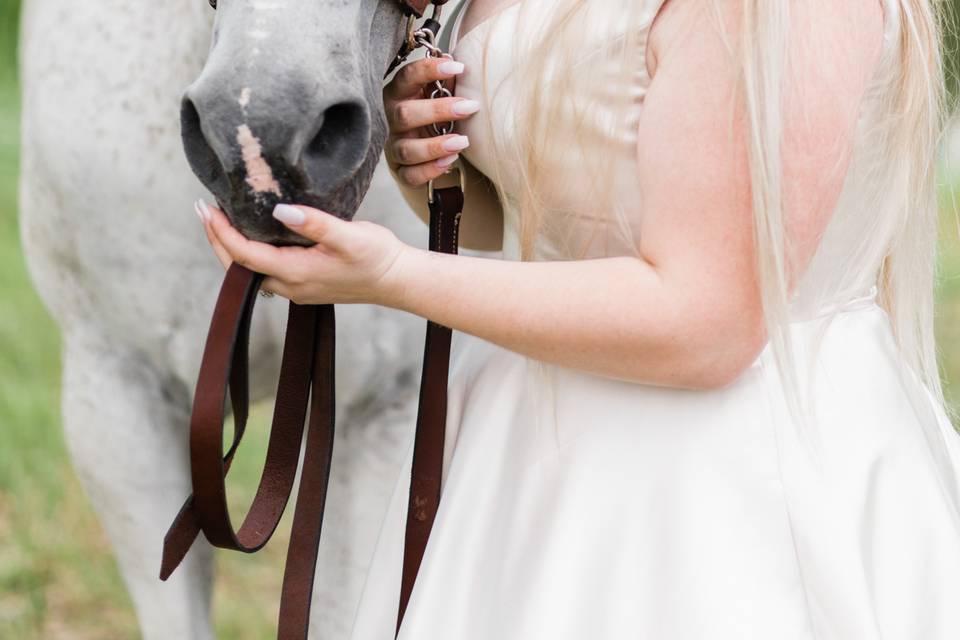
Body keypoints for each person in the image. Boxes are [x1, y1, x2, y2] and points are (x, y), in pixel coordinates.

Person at [194, 0, 960, 636]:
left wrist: (394, 275)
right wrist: (430, 154)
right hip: (529, 444)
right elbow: (535, 218)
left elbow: (710, 324)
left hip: (721, 479)